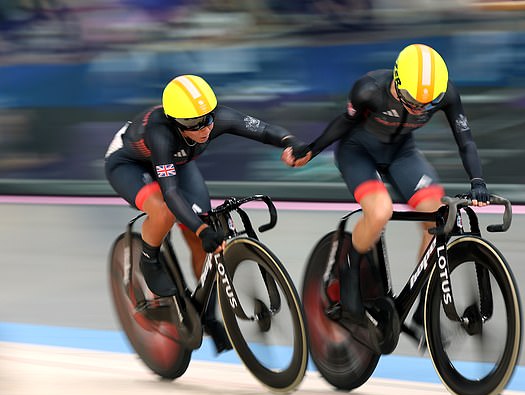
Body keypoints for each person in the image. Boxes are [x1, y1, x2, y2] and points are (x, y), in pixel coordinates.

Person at [283, 43, 490, 324]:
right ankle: (351, 274)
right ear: (396, 80)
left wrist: (477, 181)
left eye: (426, 105)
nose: (418, 109)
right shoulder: (368, 89)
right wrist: (311, 149)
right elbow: (345, 123)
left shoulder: (446, 93)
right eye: (412, 101)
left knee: (439, 217)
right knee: (380, 212)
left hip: (402, 154)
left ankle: (424, 301)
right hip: (358, 153)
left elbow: (465, 139)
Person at [105, 74, 306, 352]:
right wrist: (201, 229)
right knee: (164, 213)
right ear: (175, 121)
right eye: (193, 123)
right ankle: (149, 258)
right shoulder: (160, 133)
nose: (205, 127)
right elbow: (171, 192)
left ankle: (207, 315)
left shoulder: (213, 119)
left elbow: (261, 129)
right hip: (129, 164)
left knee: (205, 242)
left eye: (208, 117)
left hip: (178, 161)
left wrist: (289, 141)